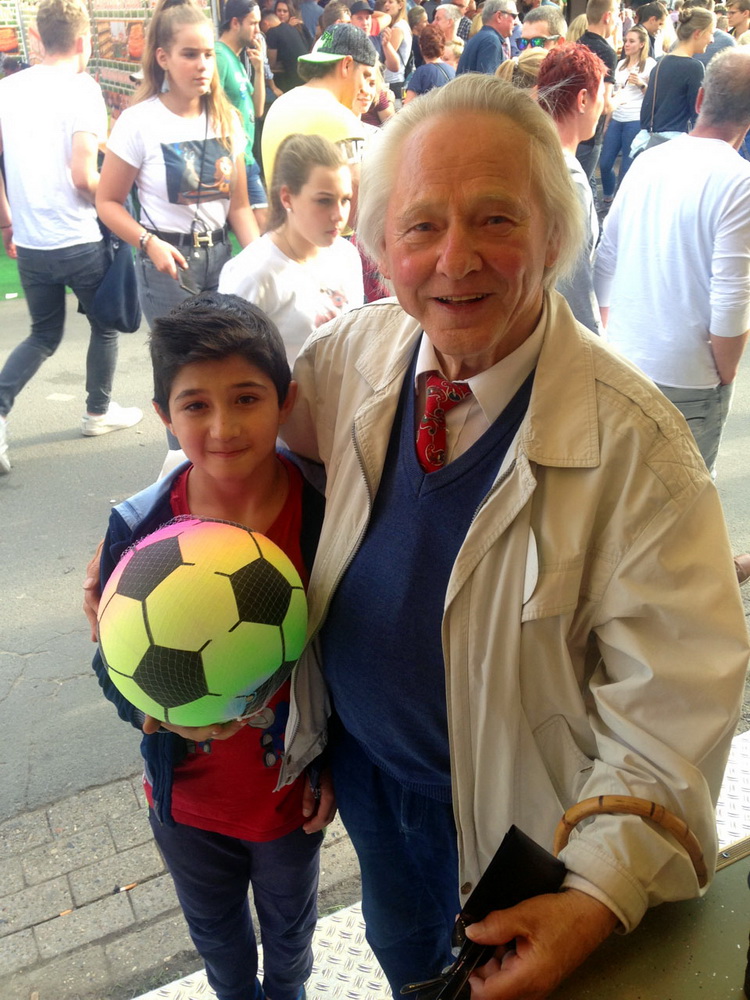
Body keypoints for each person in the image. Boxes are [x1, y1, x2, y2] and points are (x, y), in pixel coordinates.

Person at [278, 74, 749, 997]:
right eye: (420, 226)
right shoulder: (356, 356)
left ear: (554, 236)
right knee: (406, 957)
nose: (455, 259)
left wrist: (595, 895)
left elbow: (670, 723)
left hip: (523, 835)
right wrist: (150, 537)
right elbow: (244, 452)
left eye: (496, 219)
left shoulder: (642, 453)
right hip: (372, 787)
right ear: (380, 247)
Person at [91, 291, 334, 1000]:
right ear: (165, 414)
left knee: (290, 935)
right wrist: (154, 715)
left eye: (246, 398)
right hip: (185, 800)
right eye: (195, 405)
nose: (223, 426)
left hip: (288, 798)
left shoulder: (322, 516)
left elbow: (348, 662)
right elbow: (110, 666)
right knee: (219, 939)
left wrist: (334, 763)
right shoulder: (139, 530)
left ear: (285, 401)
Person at [0, 0, 143, 474]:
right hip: (78, 237)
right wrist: (115, 195)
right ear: (83, 41)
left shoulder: (8, 89)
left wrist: (8, 221)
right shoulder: (83, 89)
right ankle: (97, 411)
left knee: (42, 335)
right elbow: (83, 175)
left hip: (33, 240)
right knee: (104, 324)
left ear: (38, 38)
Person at [594, 46, 750, 477]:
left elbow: (606, 258)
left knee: (620, 494)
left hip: (623, 359)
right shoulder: (739, 183)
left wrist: (614, 333)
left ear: (700, 100)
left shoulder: (647, 161)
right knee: (681, 513)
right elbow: (732, 297)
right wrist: (724, 371)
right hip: (688, 375)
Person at [95, 0, 258, 333]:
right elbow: (107, 202)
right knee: (177, 372)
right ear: (163, 58)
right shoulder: (138, 121)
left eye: (209, 54)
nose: (202, 65)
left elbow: (239, 207)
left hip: (222, 258)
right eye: (190, 54)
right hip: (167, 265)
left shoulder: (227, 119)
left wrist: (260, 259)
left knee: (219, 365)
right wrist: (148, 243)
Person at [219, 134, 364, 342]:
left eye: (345, 199)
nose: (339, 214)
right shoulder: (252, 275)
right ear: (287, 197)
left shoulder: (347, 254)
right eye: (324, 201)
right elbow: (231, 363)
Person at [260, 23, 376, 211]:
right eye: (365, 75)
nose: (364, 88)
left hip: (282, 235)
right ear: (346, 65)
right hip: (329, 238)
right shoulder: (340, 118)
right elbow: (362, 214)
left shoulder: (280, 104)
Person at [537, 42, 606, 335]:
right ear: (582, 99)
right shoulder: (568, 180)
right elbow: (573, 288)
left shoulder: (528, 152)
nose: (605, 105)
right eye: (602, 94)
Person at [631, 3, 715, 154]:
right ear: (697, 33)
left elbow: (647, 110)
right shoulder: (694, 67)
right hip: (675, 146)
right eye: (711, 33)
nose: (712, 40)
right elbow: (698, 115)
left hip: (652, 143)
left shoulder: (661, 62)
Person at [216, 0, 268, 231]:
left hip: (246, 157)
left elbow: (257, 111)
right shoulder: (219, 56)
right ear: (235, 23)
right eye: (253, 23)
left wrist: (258, 70)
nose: (258, 30)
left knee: (263, 229)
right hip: (234, 160)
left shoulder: (235, 59)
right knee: (262, 229)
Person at [598, 24, 655, 205]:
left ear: (641, 44)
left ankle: (620, 204)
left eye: (631, 41)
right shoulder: (620, 64)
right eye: (625, 41)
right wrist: (607, 122)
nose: (627, 44)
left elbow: (654, 96)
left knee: (627, 168)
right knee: (605, 163)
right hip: (617, 117)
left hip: (635, 121)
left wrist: (641, 84)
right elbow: (612, 94)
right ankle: (608, 196)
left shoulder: (650, 65)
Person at [575, 0, 619, 184]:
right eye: (616, 15)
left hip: (573, 128)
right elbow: (605, 106)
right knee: (583, 184)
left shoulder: (577, 44)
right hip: (591, 134)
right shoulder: (607, 52)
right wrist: (622, 98)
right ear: (607, 17)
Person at [456, 0, 517, 74]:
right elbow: (488, 83)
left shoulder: (481, 38)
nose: (515, 22)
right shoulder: (491, 41)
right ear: (499, 16)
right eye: (514, 16)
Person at [266, 0, 312, 91]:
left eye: (285, 11)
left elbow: (309, 46)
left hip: (297, 75)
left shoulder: (300, 27)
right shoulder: (276, 29)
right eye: (279, 11)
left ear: (290, 12)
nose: (281, 14)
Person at [403, 23, 455, 101]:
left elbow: (408, 106)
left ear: (420, 46)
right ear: (442, 46)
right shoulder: (452, 71)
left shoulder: (421, 72)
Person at [380, 0, 413, 101]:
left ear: (400, 5)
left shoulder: (397, 28)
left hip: (392, 83)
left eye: (390, 2)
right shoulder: (402, 25)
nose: (386, 4)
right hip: (397, 81)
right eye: (385, 2)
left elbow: (386, 58)